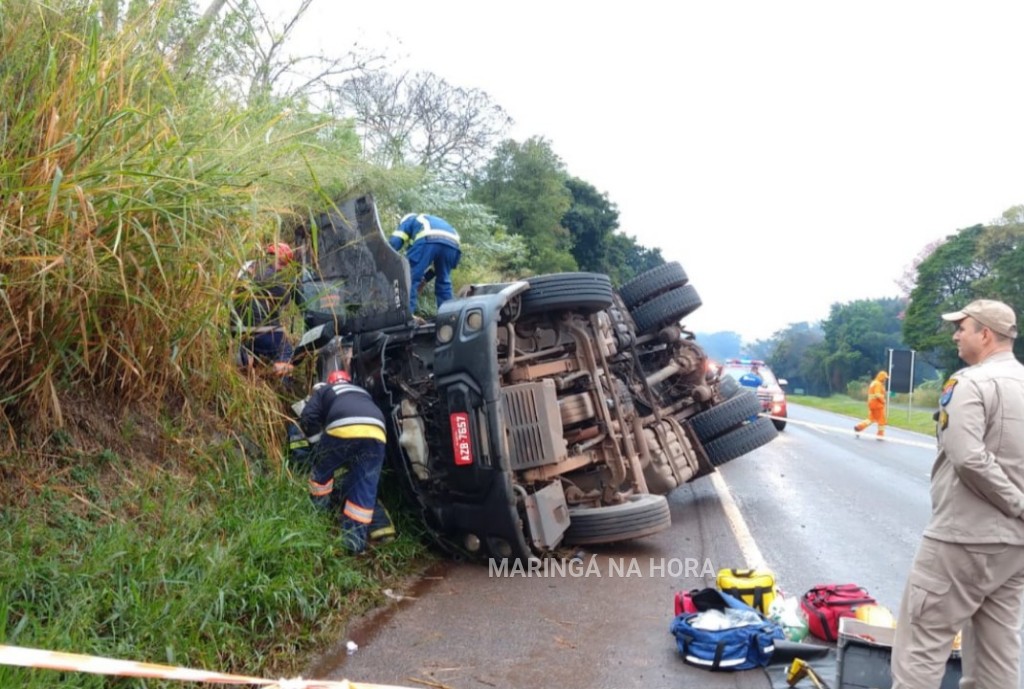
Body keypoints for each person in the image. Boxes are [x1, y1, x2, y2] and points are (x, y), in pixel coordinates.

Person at [891, 299, 1024, 689]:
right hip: (1014, 549)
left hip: (961, 539)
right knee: (996, 658)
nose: (955, 334)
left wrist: (1018, 504)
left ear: (985, 334)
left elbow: (968, 458)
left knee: (921, 646)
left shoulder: (969, 384)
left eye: (962, 327)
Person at [299, 369, 394, 553]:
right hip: (377, 432)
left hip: (342, 427)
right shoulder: (361, 392)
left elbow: (308, 417)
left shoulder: (325, 390)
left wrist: (317, 447)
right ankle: (352, 545)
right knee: (363, 489)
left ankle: (316, 524)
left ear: (330, 382)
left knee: (321, 479)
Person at [233, 242, 297, 377]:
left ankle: (250, 368)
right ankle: (278, 385)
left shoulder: (248, 267)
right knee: (287, 351)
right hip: (260, 332)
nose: (281, 268)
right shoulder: (270, 275)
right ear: (272, 257)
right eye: (281, 263)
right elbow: (285, 298)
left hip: (237, 330)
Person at [388, 213, 461, 317]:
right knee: (444, 281)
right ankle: (448, 317)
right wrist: (425, 279)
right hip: (453, 244)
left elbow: (394, 242)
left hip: (428, 238)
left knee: (409, 278)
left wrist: (381, 260)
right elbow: (437, 268)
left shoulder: (409, 219)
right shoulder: (430, 221)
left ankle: (405, 317)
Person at [854, 370, 889, 437]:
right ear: (882, 377)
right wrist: (883, 401)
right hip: (877, 404)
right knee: (881, 420)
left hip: (871, 404)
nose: (885, 380)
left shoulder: (874, 383)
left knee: (871, 419)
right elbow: (877, 394)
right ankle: (880, 434)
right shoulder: (878, 384)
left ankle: (859, 427)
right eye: (885, 378)